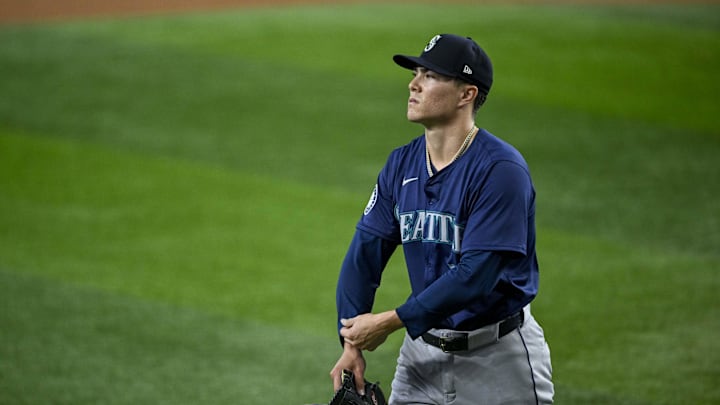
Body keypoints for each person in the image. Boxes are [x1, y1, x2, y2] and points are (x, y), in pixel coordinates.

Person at [330, 34, 554, 404]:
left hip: (497, 361)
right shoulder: (400, 164)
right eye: (416, 72)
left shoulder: (501, 170)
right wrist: (350, 342)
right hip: (421, 359)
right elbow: (364, 254)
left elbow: (475, 277)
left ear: (466, 94)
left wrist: (391, 321)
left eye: (430, 75)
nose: (413, 84)